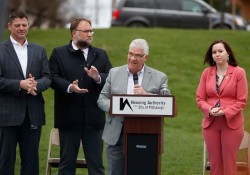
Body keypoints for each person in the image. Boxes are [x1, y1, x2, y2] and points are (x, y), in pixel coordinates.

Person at [97, 38, 171, 175]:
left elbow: (167, 102)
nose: (132, 58)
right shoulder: (114, 73)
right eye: (130, 53)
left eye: (137, 55)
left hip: (147, 134)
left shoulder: (159, 77)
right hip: (116, 133)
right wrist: (116, 107)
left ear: (146, 57)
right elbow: (102, 99)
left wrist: (146, 95)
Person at [49, 17, 112, 175]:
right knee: (66, 166)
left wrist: (97, 78)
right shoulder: (59, 53)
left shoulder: (101, 55)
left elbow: (111, 80)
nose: (90, 34)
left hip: (94, 121)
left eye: (91, 31)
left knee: (97, 167)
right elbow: (52, 78)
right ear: (74, 33)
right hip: (68, 119)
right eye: (86, 31)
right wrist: (70, 87)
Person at [0, 10, 51, 175]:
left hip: (32, 114)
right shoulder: (1, 49)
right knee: (5, 162)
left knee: (31, 163)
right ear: (9, 27)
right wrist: (19, 84)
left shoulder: (39, 50)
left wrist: (34, 84)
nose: (21, 28)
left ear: (28, 26)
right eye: (17, 25)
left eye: (24, 25)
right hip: (7, 115)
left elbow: (48, 77)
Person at [196, 40, 248, 175]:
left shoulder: (239, 73)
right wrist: (209, 109)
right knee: (215, 163)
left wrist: (224, 111)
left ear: (228, 54)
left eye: (220, 51)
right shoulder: (206, 73)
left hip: (231, 124)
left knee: (229, 162)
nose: (217, 54)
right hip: (211, 124)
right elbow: (200, 99)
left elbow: (241, 101)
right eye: (214, 52)